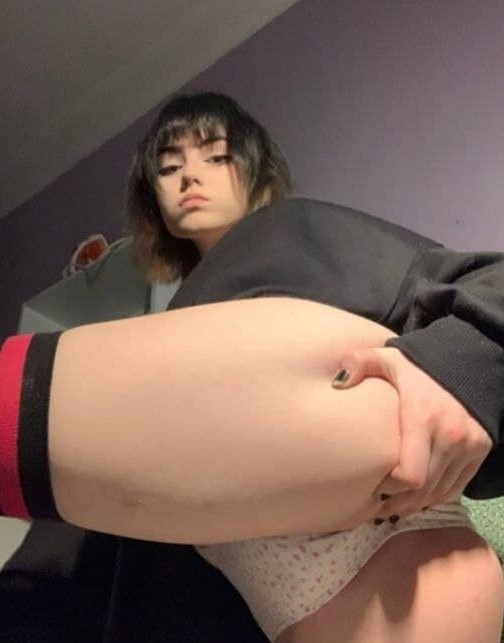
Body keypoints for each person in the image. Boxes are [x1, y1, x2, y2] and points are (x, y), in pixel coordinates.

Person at [0, 91, 503, 641]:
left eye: (216, 156)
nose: (190, 176)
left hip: (391, 556)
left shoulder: (303, 229)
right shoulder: (149, 342)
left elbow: (487, 282)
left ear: (257, 168)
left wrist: (458, 365)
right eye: (168, 168)